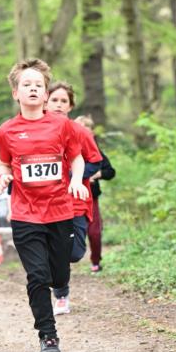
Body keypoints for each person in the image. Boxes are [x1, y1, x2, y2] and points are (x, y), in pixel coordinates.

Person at [0, 58, 88, 352]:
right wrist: (4, 173)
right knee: (37, 276)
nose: (33, 89)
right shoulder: (7, 130)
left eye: (39, 85)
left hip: (60, 211)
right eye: (27, 84)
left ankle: (61, 284)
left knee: (58, 275)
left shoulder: (62, 125)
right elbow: (6, 161)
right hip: (25, 214)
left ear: (46, 94)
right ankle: (48, 336)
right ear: (16, 93)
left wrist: (76, 179)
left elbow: (76, 157)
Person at [46, 82, 101, 314]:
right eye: (54, 100)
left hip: (75, 202)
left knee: (75, 253)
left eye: (63, 101)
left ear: (70, 106)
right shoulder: (37, 131)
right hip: (47, 203)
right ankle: (61, 294)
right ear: (45, 102)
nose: (58, 105)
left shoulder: (80, 132)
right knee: (54, 251)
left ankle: (58, 273)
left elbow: (95, 161)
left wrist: (72, 176)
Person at [74, 114, 116, 272]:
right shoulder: (66, 147)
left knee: (94, 232)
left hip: (91, 196)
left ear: (92, 132)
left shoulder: (96, 151)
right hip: (69, 196)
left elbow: (110, 171)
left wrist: (96, 174)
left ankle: (95, 261)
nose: (83, 131)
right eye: (80, 128)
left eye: (87, 128)